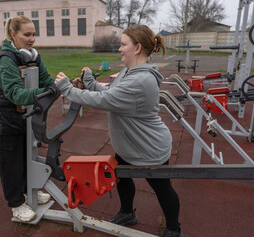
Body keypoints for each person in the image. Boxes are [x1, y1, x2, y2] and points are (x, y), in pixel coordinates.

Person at [55, 25, 183, 237]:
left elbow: (106, 100)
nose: (119, 49)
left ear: (138, 48)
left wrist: (67, 89)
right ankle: (127, 213)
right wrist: (90, 82)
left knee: (162, 188)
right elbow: (112, 93)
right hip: (130, 145)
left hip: (148, 148)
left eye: (123, 45)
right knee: (120, 177)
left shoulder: (141, 80)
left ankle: (174, 229)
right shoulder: (130, 71)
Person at [0, 16, 53, 223]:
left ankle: (28, 191)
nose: (32, 39)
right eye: (27, 34)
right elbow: (15, 94)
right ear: (13, 35)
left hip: (25, 118)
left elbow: (48, 81)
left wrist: (62, 86)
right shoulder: (6, 60)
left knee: (27, 156)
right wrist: (47, 91)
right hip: (6, 121)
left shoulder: (33, 56)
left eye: (34, 34)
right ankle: (16, 204)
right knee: (11, 164)